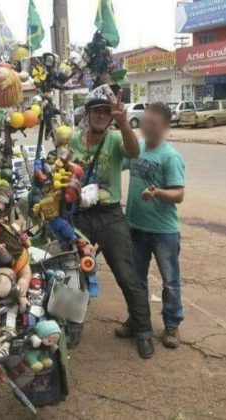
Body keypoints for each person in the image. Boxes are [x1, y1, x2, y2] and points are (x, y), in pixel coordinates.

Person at [70, 84, 154, 358]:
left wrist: (123, 121)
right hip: (79, 216)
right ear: (87, 113)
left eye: (107, 111)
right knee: (75, 274)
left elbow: (134, 152)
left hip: (110, 216)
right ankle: (73, 325)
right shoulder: (72, 139)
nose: (102, 115)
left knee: (127, 275)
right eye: (97, 111)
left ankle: (143, 330)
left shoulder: (116, 138)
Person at [123, 102, 185, 349]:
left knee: (170, 280)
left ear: (165, 127)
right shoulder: (136, 147)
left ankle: (172, 324)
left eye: (152, 124)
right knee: (136, 279)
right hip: (135, 227)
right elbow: (120, 163)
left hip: (164, 232)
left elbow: (179, 194)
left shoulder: (171, 157)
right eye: (145, 121)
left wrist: (158, 192)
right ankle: (137, 319)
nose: (146, 127)